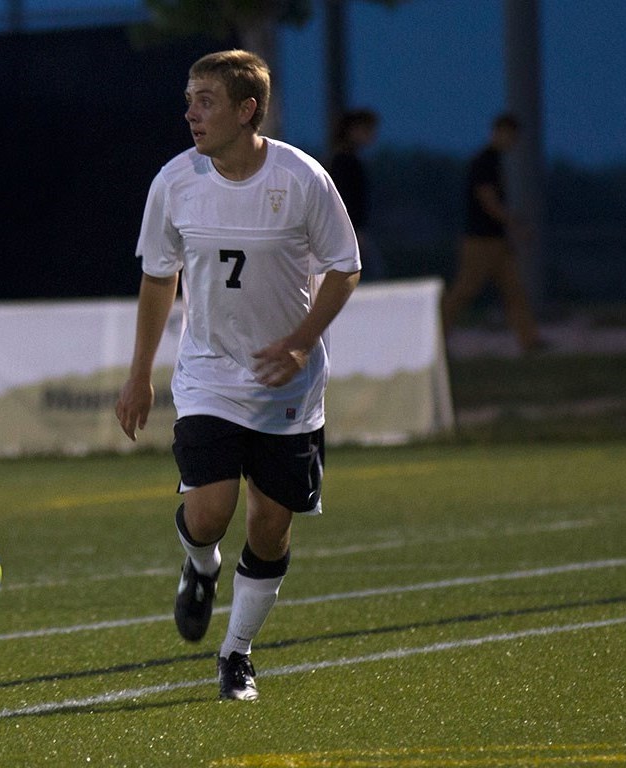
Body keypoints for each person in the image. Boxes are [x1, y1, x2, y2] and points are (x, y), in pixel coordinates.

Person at [114, 50, 361, 701]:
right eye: (189, 98)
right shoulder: (175, 181)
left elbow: (344, 268)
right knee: (208, 512)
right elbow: (156, 277)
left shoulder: (301, 179)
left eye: (205, 101)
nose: (190, 113)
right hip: (208, 376)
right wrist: (139, 373)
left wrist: (303, 343)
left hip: (287, 388)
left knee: (269, 527)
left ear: (247, 109)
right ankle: (199, 570)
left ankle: (236, 654)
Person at [441, 113, 545, 352]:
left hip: (496, 240)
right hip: (480, 240)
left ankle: (529, 340)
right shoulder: (484, 161)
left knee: (515, 291)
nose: (512, 141)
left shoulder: (495, 161)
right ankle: (436, 336)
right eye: (510, 135)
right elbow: (488, 201)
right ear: (498, 132)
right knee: (463, 292)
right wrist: (515, 224)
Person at [328, 109, 385, 279]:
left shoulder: (346, 160)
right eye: (367, 130)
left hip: (351, 230)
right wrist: (355, 230)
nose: (371, 136)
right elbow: (346, 198)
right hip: (349, 232)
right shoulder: (345, 162)